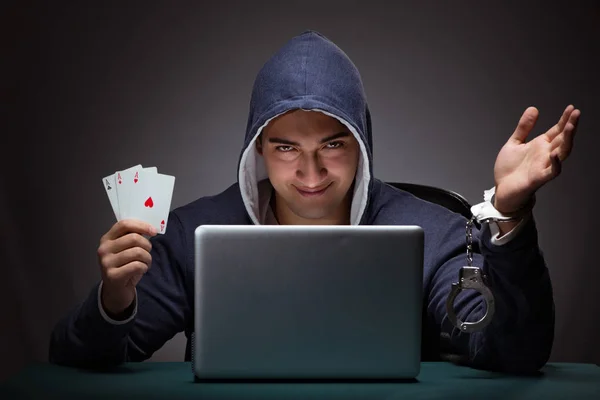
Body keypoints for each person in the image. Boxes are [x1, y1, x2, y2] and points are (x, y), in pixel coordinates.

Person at [49, 30, 580, 373]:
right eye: (286, 148)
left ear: (362, 144)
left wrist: (508, 214)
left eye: (332, 145)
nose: (310, 173)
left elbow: (514, 352)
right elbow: (74, 359)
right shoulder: (195, 232)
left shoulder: (435, 232)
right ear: (258, 149)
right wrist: (115, 297)